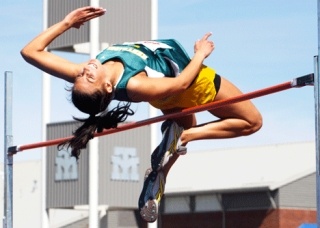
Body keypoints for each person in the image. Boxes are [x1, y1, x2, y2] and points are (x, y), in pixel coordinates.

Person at [21, 6, 262, 223]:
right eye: (89, 76)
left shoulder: (88, 74)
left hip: (166, 93)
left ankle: (158, 181)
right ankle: (185, 137)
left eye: (81, 75)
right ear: (106, 88)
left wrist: (67, 23)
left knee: (178, 134)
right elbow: (180, 85)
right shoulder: (135, 84)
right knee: (252, 122)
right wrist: (200, 54)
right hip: (192, 82)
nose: (85, 69)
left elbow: (30, 52)